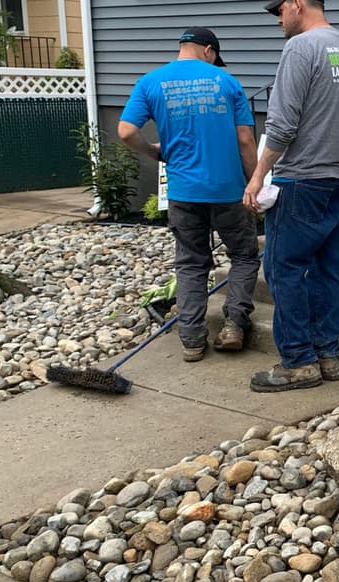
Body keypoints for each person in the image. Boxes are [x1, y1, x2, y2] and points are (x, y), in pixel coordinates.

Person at [242, 0, 339, 392]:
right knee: (328, 268)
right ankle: (327, 355)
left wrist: (258, 176)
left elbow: (282, 124)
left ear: (298, 3)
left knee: (284, 268)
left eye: (279, 10)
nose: (278, 19)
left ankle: (298, 361)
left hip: (301, 180)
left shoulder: (301, 48)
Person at [119, 27, 261, 362]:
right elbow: (245, 141)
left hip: (183, 192)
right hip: (227, 190)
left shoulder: (150, 82)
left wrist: (154, 152)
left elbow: (126, 131)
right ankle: (234, 325)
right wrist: (255, 181)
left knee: (191, 263)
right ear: (209, 51)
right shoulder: (226, 82)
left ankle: (193, 340)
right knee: (243, 255)